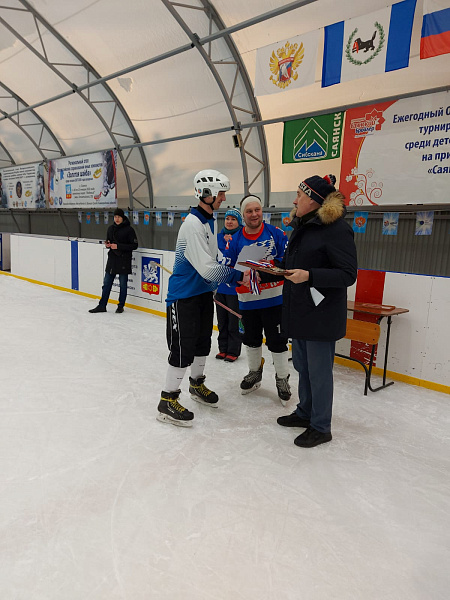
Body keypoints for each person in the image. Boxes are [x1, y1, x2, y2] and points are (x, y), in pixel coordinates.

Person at [157, 170, 248, 428]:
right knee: (182, 349)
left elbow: (213, 258)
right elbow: (207, 269)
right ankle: (167, 400)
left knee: (201, 344)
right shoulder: (192, 225)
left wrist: (231, 272)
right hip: (184, 296)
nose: (224, 198)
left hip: (203, 294)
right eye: (221, 194)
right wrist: (236, 275)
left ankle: (196, 385)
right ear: (206, 193)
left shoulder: (209, 221)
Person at [277, 174, 357, 448]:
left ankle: (321, 426)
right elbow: (293, 264)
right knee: (303, 367)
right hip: (301, 311)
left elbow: (347, 274)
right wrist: (270, 268)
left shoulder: (337, 230)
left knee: (319, 374)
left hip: (321, 316)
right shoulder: (303, 226)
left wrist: (309, 276)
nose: (294, 200)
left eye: (299, 195)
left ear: (312, 200)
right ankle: (305, 412)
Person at [222, 194, 291, 406]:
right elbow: (228, 269)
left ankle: (282, 378)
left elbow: (288, 261)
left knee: (277, 341)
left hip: (275, 300)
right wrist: (239, 277)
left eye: (257, 210)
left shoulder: (276, 233)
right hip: (247, 301)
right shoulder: (235, 240)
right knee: (250, 338)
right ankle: (254, 372)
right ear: (243, 215)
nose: (254, 214)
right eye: (249, 211)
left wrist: (265, 270)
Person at [89, 208, 138, 314]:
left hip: (124, 260)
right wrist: (108, 244)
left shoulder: (129, 230)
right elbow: (109, 241)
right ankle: (102, 305)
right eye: (115, 217)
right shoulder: (110, 228)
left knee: (123, 284)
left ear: (123, 217)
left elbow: (134, 245)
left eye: (119, 217)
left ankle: (121, 306)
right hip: (112, 259)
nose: (117, 219)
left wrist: (118, 246)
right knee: (106, 283)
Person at [215, 208, 243, 362]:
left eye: (233, 219)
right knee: (222, 321)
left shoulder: (242, 237)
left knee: (233, 322)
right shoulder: (218, 238)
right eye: (227, 219)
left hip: (234, 287)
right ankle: (223, 348)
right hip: (220, 286)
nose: (229, 222)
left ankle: (233, 350)